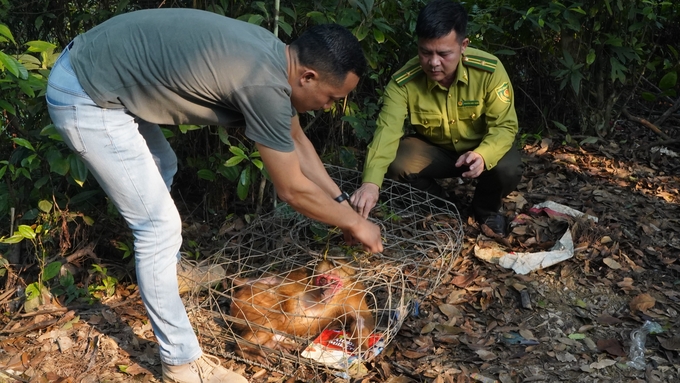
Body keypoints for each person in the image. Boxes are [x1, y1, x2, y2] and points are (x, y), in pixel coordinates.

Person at [45, 8, 383, 383]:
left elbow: (297, 140)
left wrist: (342, 204)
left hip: (99, 67)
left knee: (163, 164)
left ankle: (167, 272)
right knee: (158, 228)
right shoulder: (265, 88)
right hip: (86, 91)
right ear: (308, 76)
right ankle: (181, 362)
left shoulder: (276, 60)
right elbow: (291, 189)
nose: (330, 106)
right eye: (333, 97)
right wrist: (354, 223)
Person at [350, 0, 523, 236]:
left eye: (443, 54)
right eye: (425, 52)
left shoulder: (489, 71)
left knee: (508, 167)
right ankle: (444, 207)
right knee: (395, 162)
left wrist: (483, 155)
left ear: (463, 45)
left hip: (480, 148)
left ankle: (486, 210)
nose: (433, 63)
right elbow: (386, 132)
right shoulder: (403, 82)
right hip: (436, 152)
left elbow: (504, 126)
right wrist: (370, 184)